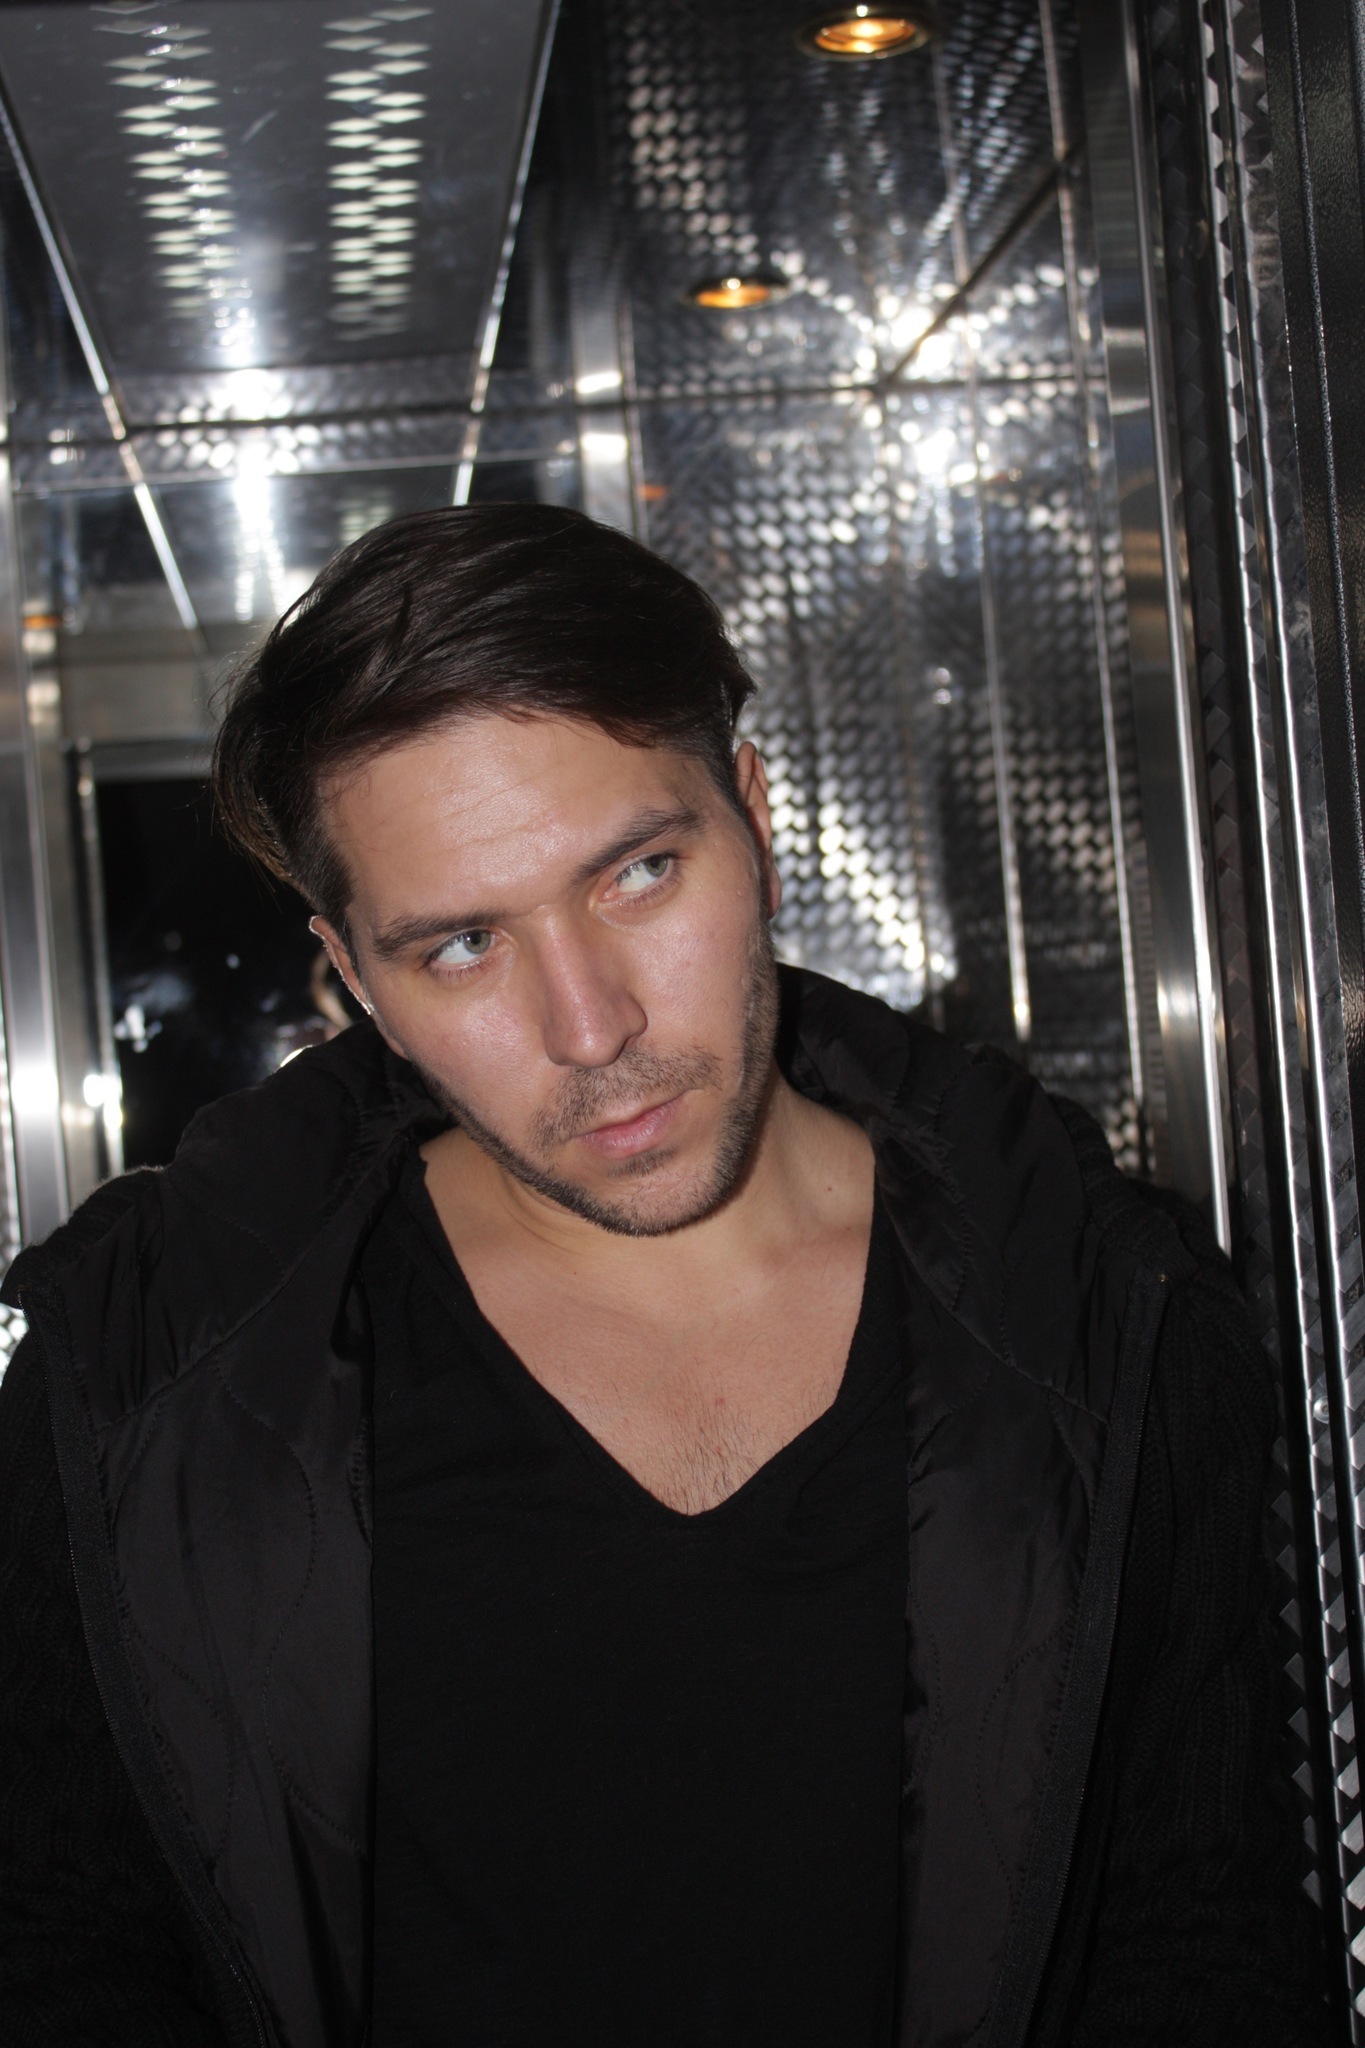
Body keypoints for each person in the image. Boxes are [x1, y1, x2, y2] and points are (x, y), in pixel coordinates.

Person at [0, 504, 1334, 2047]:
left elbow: (1199, 1930)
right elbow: (58, 1943)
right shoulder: (133, 1384)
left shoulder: (1111, 1317)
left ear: (752, 822)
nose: (591, 1027)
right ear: (354, 979)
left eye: (636, 873)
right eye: (460, 947)